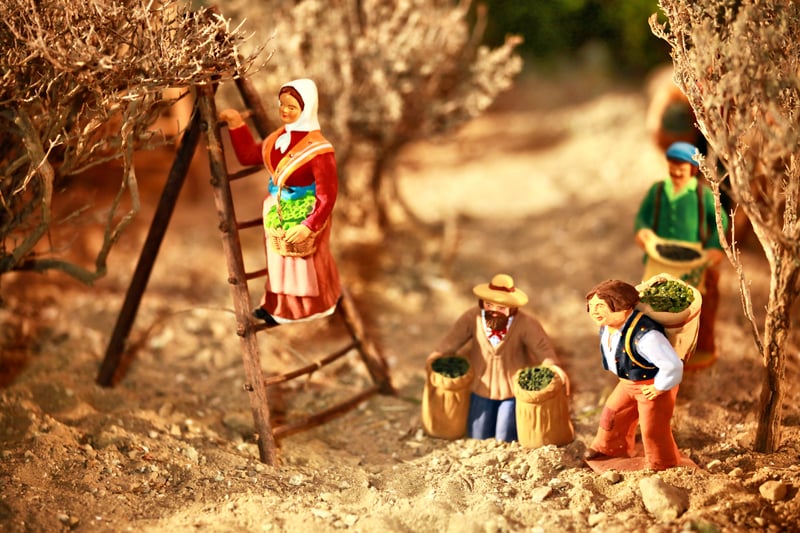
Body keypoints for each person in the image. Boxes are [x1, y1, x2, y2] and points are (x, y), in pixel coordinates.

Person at [219, 79, 340, 326]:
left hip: (305, 212)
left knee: (304, 266)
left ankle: (305, 308)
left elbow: (328, 194)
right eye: (282, 105)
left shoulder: (319, 149)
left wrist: (309, 224)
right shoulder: (277, 138)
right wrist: (237, 125)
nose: (284, 111)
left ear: (306, 109)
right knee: (278, 263)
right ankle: (276, 306)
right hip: (278, 212)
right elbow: (249, 155)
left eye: (292, 107)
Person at [426, 274, 566, 442]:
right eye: (489, 304)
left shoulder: (526, 324)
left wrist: (552, 366)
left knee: (505, 436)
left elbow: (543, 349)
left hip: (510, 390)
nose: (494, 311)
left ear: (512, 308)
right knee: (478, 435)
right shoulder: (473, 318)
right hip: (481, 386)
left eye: (501, 308)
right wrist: (438, 353)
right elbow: (454, 339)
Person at [634, 141, 728, 369]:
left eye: (682, 168)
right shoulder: (657, 192)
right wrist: (644, 231)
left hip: (692, 261)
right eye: (672, 167)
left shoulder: (701, 195)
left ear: (693, 170)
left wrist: (715, 246)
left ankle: (698, 347)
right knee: (653, 301)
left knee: (695, 304)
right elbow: (643, 217)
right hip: (659, 257)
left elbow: (721, 221)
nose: (676, 172)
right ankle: (654, 346)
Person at [583, 279, 683, 471]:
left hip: (651, 385)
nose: (595, 311)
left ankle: (663, 464)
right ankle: (610, 448)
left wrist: (658, 387)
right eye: (592, 306)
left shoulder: (646, 336)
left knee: (653, 428)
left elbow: (672, 366)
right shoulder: (606, 328)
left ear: (622, 308)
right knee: (612, 413)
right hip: (627, 382)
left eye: (601, 306)